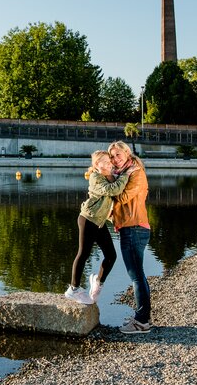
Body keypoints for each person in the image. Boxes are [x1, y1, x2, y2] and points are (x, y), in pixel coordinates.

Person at [64, 150, 138, 305]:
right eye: (104, 161)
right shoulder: (95, 177)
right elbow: (114, 190)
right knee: (83, 254)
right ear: (96, 165)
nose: (108, 163)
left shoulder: (110, 176)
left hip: (100, 222)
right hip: (88, 220)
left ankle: (97, 282)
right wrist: (126, 175)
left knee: (111, 256)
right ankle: (73, 289)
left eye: (109, 160)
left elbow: (121, 187)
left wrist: (127, 171)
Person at [107, 140, 152, 334]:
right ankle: (143, 317)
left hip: (134, 228)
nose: (115, 159)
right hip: (130, 227)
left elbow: (123, 197)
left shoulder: (135, 173)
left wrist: (106, 179)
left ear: (127, 153)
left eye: (118, 155)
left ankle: (141, 322)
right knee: (138, 275)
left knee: (136, 276)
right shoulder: (125, 174)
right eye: (112, 157)